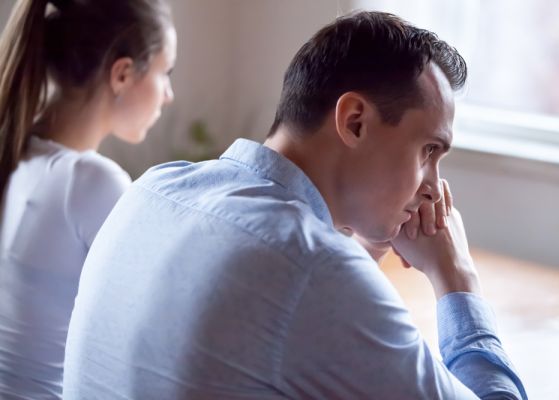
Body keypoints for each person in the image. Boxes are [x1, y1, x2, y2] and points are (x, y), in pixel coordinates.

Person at [63, 11, 528, 399]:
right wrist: (456, 279)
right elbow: (311, 290)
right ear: (355, 121)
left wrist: (367, 245)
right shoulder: (315, 271)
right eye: (428, 150)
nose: (434, 187)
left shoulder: (154, 187)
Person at [0, 0, 176, 397]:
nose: (168, 95)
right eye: (166, 72)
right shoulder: (91, 181)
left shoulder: (19, 153)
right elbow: (159, 325)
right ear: (122, 74)